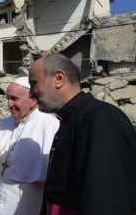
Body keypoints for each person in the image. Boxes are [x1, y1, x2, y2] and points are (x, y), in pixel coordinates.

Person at [29, 53, 136, 214]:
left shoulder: (101, 118)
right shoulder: (71, 119)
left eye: (34, 84)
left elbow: (106, 200)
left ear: (59, 78)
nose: (31, 93)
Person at [0, 76, 60, 215]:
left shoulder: (51, 125)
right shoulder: (5, 124)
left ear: (33, 100)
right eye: (8, 98)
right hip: (0, 195)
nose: (9, 104)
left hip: (28, 202)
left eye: (14, 98)